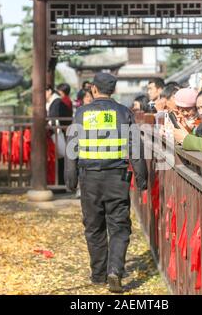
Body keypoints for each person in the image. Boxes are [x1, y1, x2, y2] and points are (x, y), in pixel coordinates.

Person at [65, 72, 148, 293]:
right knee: (119, 227)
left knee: (94, 227)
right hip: (117, 178)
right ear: (114, 90)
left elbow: (71, 146)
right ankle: (115, 270)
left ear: (93, 89)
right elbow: (136, 148)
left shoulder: (81, 113)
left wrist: (70, 180)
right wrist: (142, 179)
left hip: (89, 178)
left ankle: (98, 274)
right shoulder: (124, 113)